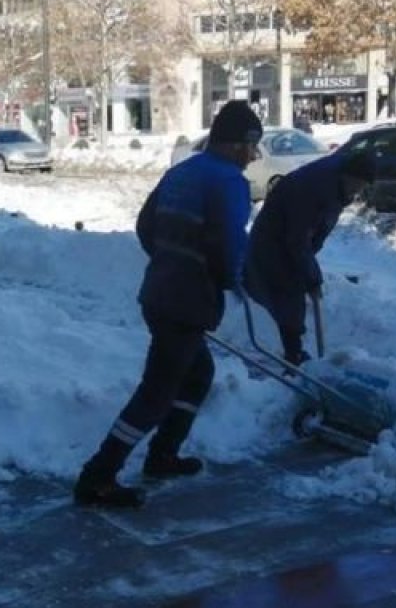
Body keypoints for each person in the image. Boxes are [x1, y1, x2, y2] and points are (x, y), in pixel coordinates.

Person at [74, 101, 263, 509]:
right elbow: (233, 245)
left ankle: (163, 455)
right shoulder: (229, 181)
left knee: (197, 375)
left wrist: (170, 258)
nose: (253, 157)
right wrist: (234, 280)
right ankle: (98, 475)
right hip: (186, 302)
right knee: (156, 392)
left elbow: (146, 226)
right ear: (237, 145)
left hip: (160, 292)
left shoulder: (182, 171)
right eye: (252, 147)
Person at [243, 151, 375, 366]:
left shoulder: (334, 186)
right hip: (274, 244)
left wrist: (308, 265)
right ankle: (294, 357)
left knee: (291, 292)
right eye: (355, 184)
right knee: (289, 293)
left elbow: (312, 234)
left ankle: (294, 353)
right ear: (345, 175)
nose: (357, 191)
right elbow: (297, 239)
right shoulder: (315, 190)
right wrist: (312, 277)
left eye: (362, 186)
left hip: (286, 242)